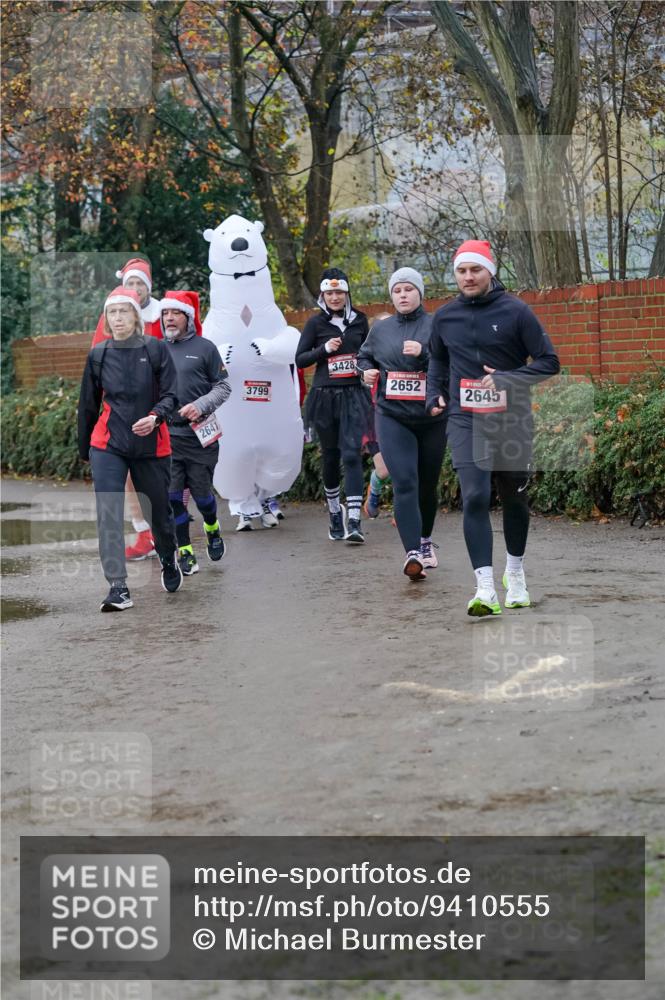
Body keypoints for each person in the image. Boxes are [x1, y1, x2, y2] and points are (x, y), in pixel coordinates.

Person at [427, 239, 560, 616]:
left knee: (514, 497)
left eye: (475, 270)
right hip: (465, 418)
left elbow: (550, 362)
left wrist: (509, 378)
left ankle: (514, 573)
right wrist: (433, 395)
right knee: (474, 496)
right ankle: (484, 587)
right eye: (461, 271)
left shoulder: (516, 311)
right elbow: (437, 360)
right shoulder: (445, 316)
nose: (468, 277)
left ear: (490, 271)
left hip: (512, 418)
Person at [78, 287, 182, 611]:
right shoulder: (98, 355)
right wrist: (86, 451)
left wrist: (155, 418)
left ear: (136, 316)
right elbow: (88, 406)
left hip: (150, 443)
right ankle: (118, 588)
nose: (118, 318)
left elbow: (172, 395)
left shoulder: (155, 349)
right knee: (108, 513)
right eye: (113, 312)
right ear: (106, 319)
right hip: (108, 445)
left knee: (158, 513)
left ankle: (168, 557)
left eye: (124, 311)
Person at [356, 268, 446, 578]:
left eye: (409, 289)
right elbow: (364, 357)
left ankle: (425, 540)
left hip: (432, 417)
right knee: (405, 481)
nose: (403, 295)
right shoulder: (381, 330)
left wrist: (426, 352)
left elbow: (452, 358)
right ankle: (413, 554)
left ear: (420, 293)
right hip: (392, 416)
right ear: (392, 296)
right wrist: (364, 372)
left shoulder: (435, 325)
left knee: (426, 485)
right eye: (397, 291)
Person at [91, 257, 164, 561]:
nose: (135, 289)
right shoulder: (114, 313)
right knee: (131, 477)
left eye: (140, 284)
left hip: (162, 405)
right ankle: (144, 533)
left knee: (166, 474)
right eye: (130, 283)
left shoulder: (164, 313)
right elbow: (98, 359)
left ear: (148, 287)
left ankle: (170, 534)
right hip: (125, 410)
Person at [296, 268, 373, 543]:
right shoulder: (315, 325)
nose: (335, 297)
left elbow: (369, 354)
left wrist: (365, 368)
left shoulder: (360, 321)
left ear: (347, 293)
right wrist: (324, 350)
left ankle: (354, 520)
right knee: (330, 457)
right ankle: (333, 513)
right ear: (322, 295)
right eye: (329, 293)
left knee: (352, 455)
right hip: (324, 396)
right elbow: (300, 359)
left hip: (353, 394)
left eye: (339, 292)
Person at [159, 290, 231, 576]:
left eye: (175, 313)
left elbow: (224, 387)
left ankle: (212, 527)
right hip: (168, 437)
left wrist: (200, 405)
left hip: (201, 434)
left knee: (202, 498)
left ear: (188, 317)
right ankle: (185, 551)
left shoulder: (205, 348)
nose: (169, 318)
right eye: (165, 313)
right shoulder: (156, 351)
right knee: (174, 497)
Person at [362, 312, 392, 519]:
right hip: (374, 418)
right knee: (384, 470)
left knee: (405, 468)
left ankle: (403, 510)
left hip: (401, 416)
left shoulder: (406, 353)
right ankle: (374, 490)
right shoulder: (366, 357)